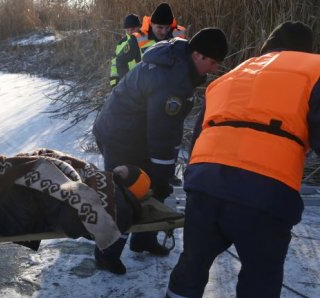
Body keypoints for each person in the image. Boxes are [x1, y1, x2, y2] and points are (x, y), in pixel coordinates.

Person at [159, 21, 320, 298]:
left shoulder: (233, 75)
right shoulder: (314, 70)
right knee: (261, 270)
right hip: (265, 188)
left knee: (193, 260)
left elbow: (200, 132)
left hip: (205, 179)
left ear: (268, 46)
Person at [92, 28, 228, 269]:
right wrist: (162, 174)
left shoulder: (179, 62)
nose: (215, 69)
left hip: (135, 132)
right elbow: (163, 134)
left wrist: (160, 177)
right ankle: (106, 254)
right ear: (197, 55)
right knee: (123, 195)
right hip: (119, 135)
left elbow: (162, 131)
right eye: (213, 62)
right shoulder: (173, 80)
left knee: (154, 186)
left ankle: (144, 239)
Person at [111, 3, 187, 85]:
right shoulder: (137, 39)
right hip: (146, 92)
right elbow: (120, 60)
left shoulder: (179, 34)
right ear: (152, 24)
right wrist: (129, 84)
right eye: (160, 27)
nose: (164, 31)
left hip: (174, 89)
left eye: (167, 27)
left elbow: (188, 60)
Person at [110, 13, 142, 87]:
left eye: (133, 29)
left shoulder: (146, 39)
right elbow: (114, 65)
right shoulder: (120, 44)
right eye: (128, 29)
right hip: (127, 84)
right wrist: (114, 84)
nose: (130, 32)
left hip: (145, 83)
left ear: (139, 27)